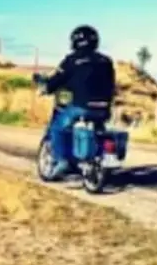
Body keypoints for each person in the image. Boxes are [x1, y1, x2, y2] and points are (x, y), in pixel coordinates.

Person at [36, 25, 117, 178]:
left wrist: (46, 88)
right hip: (103, 108)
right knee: (101, 129)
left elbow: (57, 80)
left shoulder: (72, 60)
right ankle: (100, 156)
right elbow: (112, 84)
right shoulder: (106, 61)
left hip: (81, 106)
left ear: (75, 41)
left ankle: (61, 161)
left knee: (57, 128)